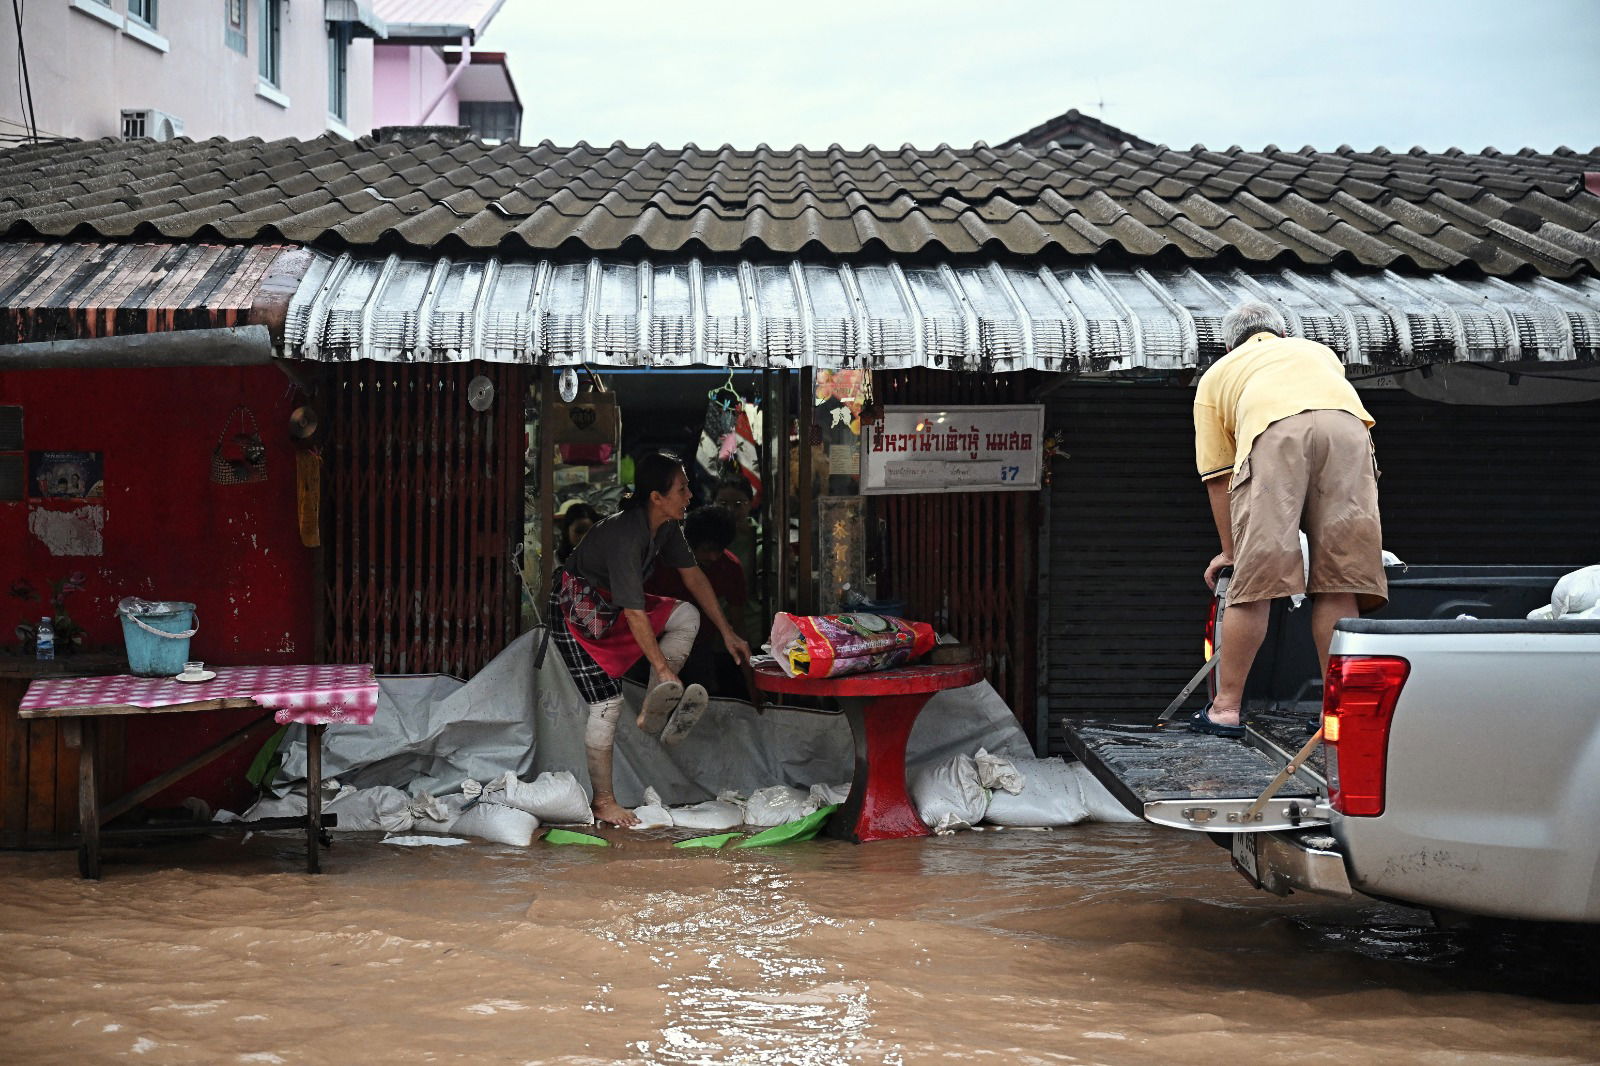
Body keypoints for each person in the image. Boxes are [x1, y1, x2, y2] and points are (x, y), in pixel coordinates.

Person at [1192, 301, 1387, 737]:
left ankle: (1224, 709)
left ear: (1229, 343)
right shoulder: (1317, 352)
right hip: (1349, 430)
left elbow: (1218, 476)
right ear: (1281, 333)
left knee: (1254, 580)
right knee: (1338, 583)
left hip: (1273, 430)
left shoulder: (1219, 374)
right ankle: (1335, 714)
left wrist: (1230, 552)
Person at [547, 452, 753, 826]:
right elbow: (635, 613)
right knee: (606, 705)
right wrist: (661, 664)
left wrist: (728, 632)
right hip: (578, 614)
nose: (690, 495)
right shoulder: (625, 535)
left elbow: (693, 578)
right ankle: (603, 802)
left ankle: (659, 696)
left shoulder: (669, 526)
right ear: (656, 497)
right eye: (682, 488)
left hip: (617, 608)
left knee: (686, 614)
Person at [645, 505, 749, 696]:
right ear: (688, 542)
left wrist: (751, 680)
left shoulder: (729, 566)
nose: (714, 556)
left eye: (719, 549)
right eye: (707, 550)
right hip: (650, 645)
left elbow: (738, 623)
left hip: (699, 649)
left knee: (698, 700)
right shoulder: (659, 560)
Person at [712, 479, 764, 646]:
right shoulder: (704, 539)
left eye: (738, 504)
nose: (730, 510)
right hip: (712, 626)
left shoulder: (763, 538)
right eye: (723, 503)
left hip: (752, 626)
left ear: (750, 504)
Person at [554, 500, 598, 564]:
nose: (584, 537)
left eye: (590, 532)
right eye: (579, 531)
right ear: (566, 531)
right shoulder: (553, 561)